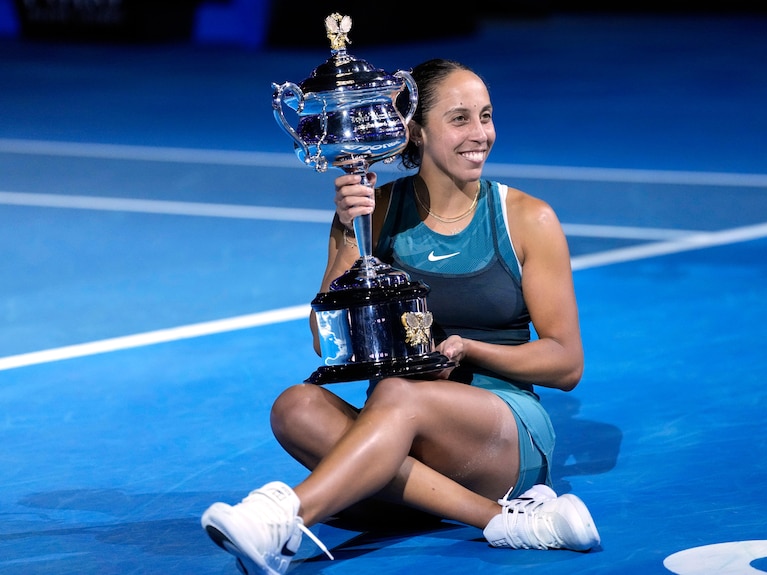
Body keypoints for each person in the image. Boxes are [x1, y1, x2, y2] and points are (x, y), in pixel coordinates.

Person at [201, 58, 600, 575]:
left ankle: (285, 518)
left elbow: (566, 364)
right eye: (460, 119)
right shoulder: (375, 210)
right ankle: (501, 520)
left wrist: (469, 349)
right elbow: (328, 344)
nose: (480, 134)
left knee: (396, 395)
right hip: (397, 431)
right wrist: (349, 230)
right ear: (415, 129)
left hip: (500, 433)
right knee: (294, 406)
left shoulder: (528, 218)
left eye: (486, 116)